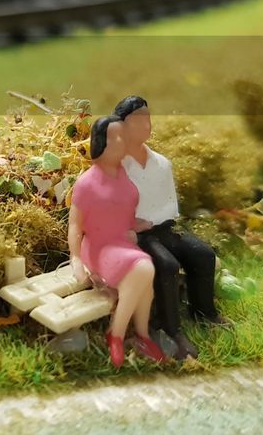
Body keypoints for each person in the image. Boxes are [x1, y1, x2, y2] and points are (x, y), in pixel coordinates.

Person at [114, 95, 228, 361]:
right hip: (137, 236)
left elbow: (170, 205)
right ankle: (170, 330)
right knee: (165, 265)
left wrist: (151, 220)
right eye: (137, 120)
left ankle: (204, 312)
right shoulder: (118, 166)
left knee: (203, 254)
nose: (145, 125)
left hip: (163, 227)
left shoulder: (162, 164)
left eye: (147, 118)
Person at [68, 116, 167, 368]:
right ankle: (116, 334)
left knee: (145, 280)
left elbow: (122, 215)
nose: (123, 142)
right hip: (99, 248)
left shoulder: (124, 175)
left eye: (124, 136)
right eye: (116, 137)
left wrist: (139, 224)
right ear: (100, 142)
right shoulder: (86, 183)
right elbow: (75, 225)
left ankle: (142, 336)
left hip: (123, 246)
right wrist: (76, 258)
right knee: (145, 268)